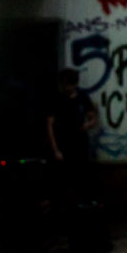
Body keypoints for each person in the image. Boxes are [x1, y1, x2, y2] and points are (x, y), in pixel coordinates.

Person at [45, 68, 99, 206]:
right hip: (63, 144)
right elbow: (50, 125)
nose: (67, 88)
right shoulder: (57, 99)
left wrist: (86, 126)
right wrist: (56, 149)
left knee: (81, 177)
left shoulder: (82, 97)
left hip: (80, 144)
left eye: (69, 84)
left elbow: (93, 117)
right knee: (63, 179)